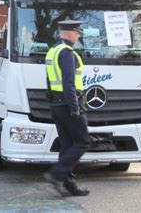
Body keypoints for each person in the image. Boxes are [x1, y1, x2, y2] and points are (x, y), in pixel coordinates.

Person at [43, 20, 90, 196]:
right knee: (83, 141)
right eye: (77, 32)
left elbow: (49, 80)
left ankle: (69, 185)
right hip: (68, 103)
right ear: (69, 32)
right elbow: (68, 82)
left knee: (67, 144)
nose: (78, 36)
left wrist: (53, 101)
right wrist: (74, 107)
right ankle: (56, 174)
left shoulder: (53, 51)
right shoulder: (67, 53)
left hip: (56, 104)